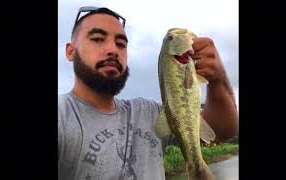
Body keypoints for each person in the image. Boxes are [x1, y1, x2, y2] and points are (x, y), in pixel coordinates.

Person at [58, 6, 238, 180]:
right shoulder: (62, 117)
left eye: (121, 44)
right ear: (70, 51)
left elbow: (224, 130)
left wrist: (218, 78)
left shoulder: (147, 113)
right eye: (97, 39)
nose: (113, 50)